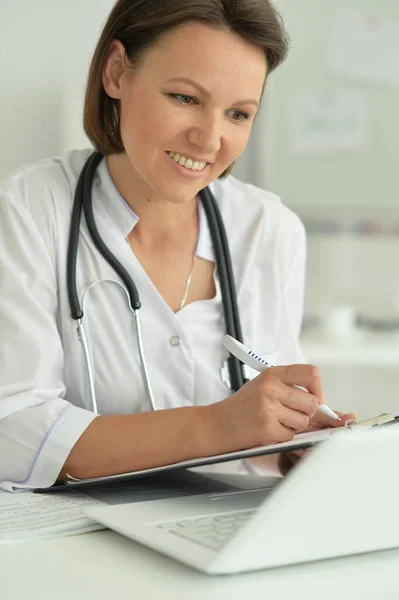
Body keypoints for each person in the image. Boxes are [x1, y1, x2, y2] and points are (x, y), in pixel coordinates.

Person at [0, 0, 354, 492]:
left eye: (237, 113)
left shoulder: (268, 229)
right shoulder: (30, 208)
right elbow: (12, 433)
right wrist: (217, 426)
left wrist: (291, 444)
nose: (209, 138)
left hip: (225, 537)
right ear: (117, 73)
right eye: (185, 98)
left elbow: (257, 444)